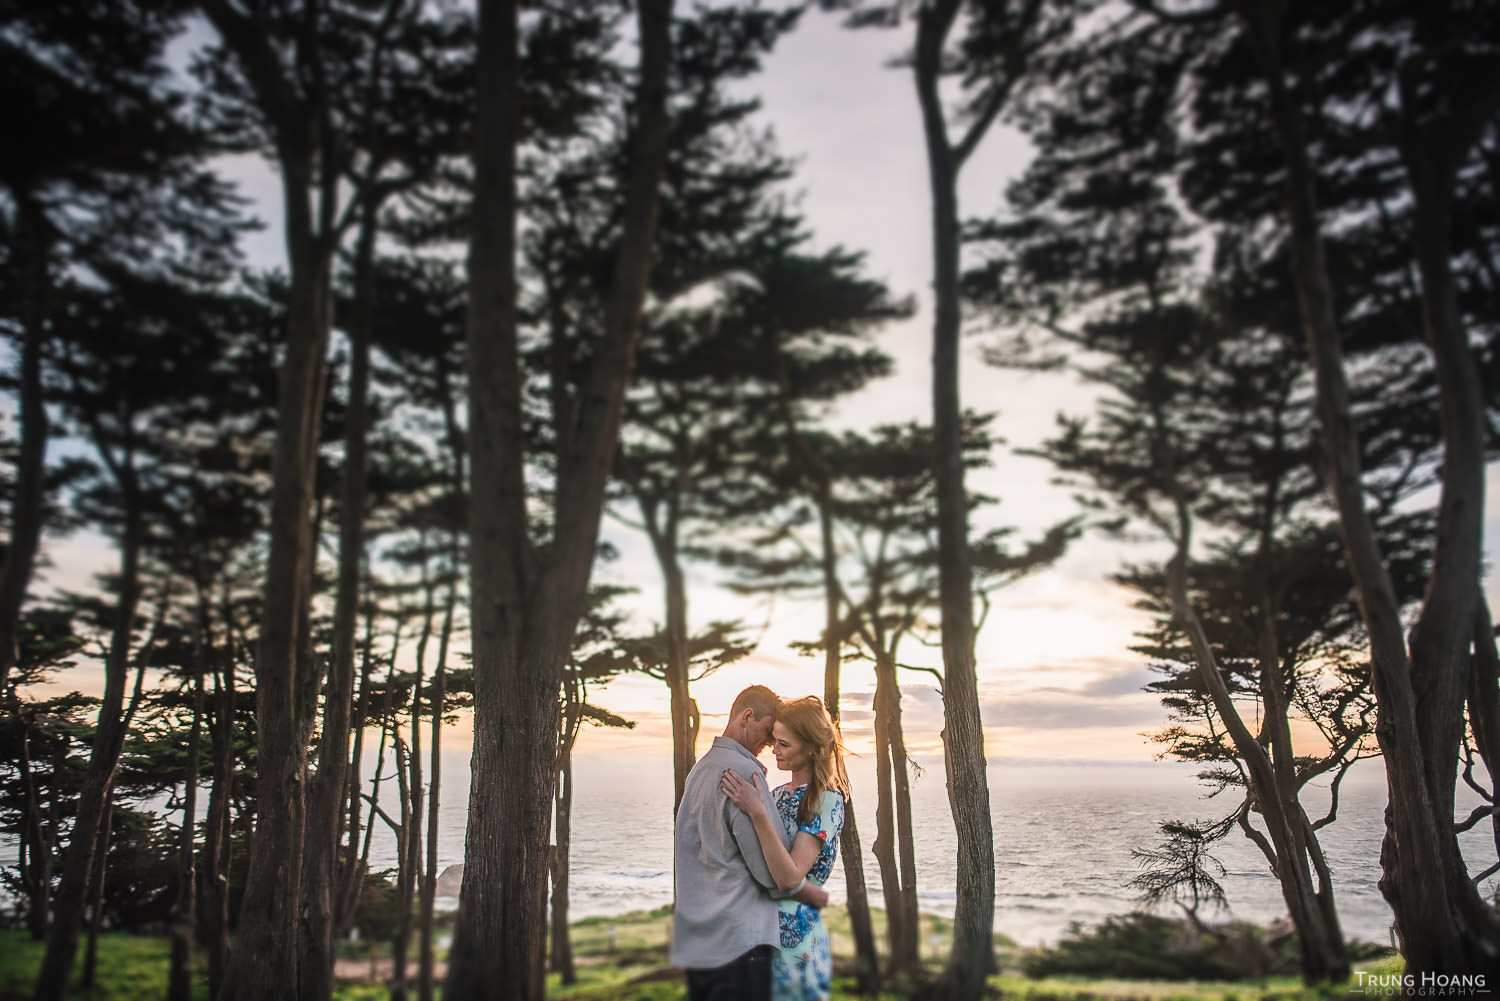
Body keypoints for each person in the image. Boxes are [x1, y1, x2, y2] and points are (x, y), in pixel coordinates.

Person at [671, 686, 830, 1001]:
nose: (770, 744)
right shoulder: (745, 774)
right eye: (769, 732)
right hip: (739, 946)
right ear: (747, 717)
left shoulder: (699, 771)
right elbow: (773, 877)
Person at [720, 696, 847, 1001]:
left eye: (784, 744)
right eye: (774, 740)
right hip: (756, 936)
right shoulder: (774, 794)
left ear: (812, 748)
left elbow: (790, 878)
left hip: (794, 941)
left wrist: (758, 813)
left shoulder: (826, 800)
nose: (774, 749)